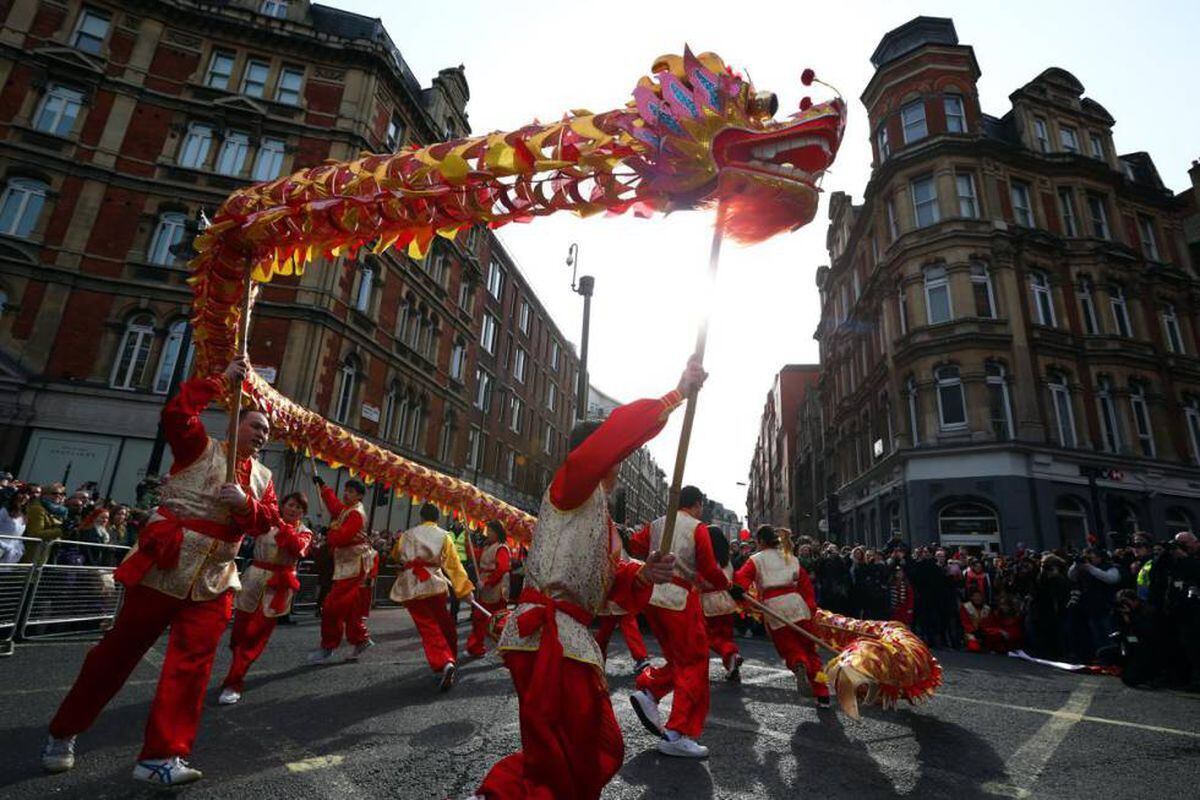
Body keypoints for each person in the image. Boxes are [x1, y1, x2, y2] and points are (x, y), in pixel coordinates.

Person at [42, 357, 280, 785]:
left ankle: (161, 757)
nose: (262, 435)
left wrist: (246, 504)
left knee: (192, 667)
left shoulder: (264, 476)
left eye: (266, 431)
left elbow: (267, 522)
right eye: (255, 426)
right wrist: (219, 381)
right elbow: (175, 413)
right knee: (117, 654)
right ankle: (64, 731)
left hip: (215, 580)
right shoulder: (199, 446)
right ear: (233, 422)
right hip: (166, 567)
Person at [472, 358, 699, 800]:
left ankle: (497, 795)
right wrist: (675, 395)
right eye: (613, 451)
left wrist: (644, 572)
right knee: (573, 749)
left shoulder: (602, 517)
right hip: (547, 636)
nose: (618, 457)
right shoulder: (572, 484)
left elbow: (615, 580)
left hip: (565, 638)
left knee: (589, 748)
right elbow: (612, 437)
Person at [627, 485, 731, 758]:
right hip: (679, 600)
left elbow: (636, 543)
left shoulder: (658, 523)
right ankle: (677, 732)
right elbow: (709, 567)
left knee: (679, 660)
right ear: (696, 504)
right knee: (695, 662)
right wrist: (726, 583)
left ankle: (650, 691)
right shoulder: (697, 527)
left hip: (653, 597)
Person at [217, 492, 313, 704]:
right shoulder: (266, 522)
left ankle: (234, 682)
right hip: (253, 580)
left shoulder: (305, 533)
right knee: (239, 635)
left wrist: (280, 523)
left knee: (256, 635)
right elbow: (244, 523)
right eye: (290, 505)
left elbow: (296, 548)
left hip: (278, 587)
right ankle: (237, 668)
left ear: (303, 513)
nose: (293, 509)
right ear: (283, 505)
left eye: (299, 507)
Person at [731, 525, 831, 707]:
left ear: (760, 541)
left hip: (775, 607)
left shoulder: (756, 559)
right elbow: (805, 584)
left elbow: (741, 580)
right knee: (811, 652)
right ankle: (823, 692)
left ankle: (798, 663)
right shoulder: (791, 557)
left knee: (789, 647)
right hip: (797, 604)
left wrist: (738, 591)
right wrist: (810, 609)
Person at [388, 502, 474, 689]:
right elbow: (454, 565)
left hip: (411, 584)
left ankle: (444, 661)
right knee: (443, 621)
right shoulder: (444, 536)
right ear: (437, 518)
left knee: (427, 626)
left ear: (421, 517)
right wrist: (465, 589)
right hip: (434, 582)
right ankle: (450, 655)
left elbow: (396, 554)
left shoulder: (407, 535)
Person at [308, 477, 375, 664]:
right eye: (345, 490)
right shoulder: (348, 510)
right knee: (350, 606)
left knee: (332, 605)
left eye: (351, 491)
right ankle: (360, 639)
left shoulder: (356, 514)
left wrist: (329, 532)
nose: (346, 494)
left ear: (360, 496)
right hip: (349, 563)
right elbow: (335, 507)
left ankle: (328, 645)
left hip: (354, 564)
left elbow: (342, 538)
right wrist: (324, 487)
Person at [699, 524, 742, 682]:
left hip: (709, 602)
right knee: (726, 635)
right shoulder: (727, 560)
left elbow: (702, 581)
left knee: (710, 637)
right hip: (727, 602)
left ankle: (731, 653)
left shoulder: (704, 559)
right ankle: (731, 666)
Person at [467, 520, 511, 659]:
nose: (488, 533)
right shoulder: (487, 547)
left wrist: (487, 582)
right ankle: (476, 647)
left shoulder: (502, 548)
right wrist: (468, 540)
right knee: (479, 617)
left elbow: (502, 568)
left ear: (497, 532)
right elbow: (475, 555)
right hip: (485, 586)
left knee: (498, 621)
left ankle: (506, 648)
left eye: (491, 531)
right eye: (488, 530)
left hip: (496, 588)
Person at [0, 490, 29, 563]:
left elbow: (18, 536)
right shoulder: (4, 511)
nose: (25, 497)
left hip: (11, 555)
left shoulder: (24, 514)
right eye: (22, 493)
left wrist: (20, 547)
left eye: (27, 495)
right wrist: (6, 547)